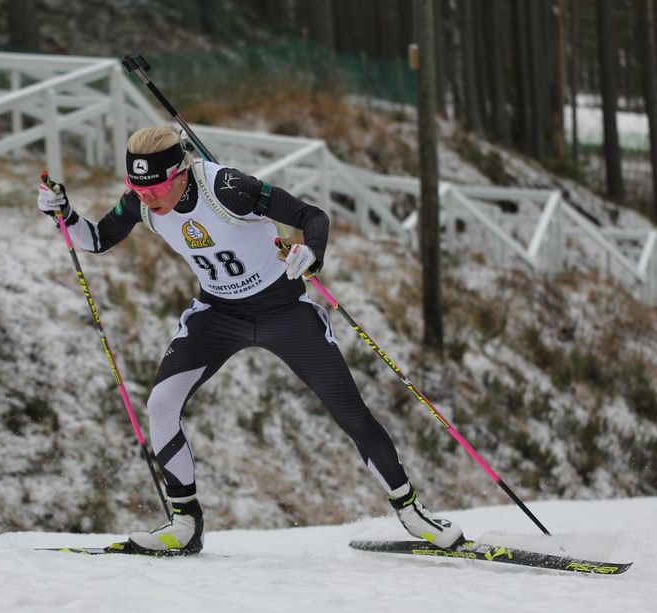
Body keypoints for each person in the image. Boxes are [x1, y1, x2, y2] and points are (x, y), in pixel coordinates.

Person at [37, 126, 463, 555]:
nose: (147, 197)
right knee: (161, 403)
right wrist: (63, 214)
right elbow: (94, 239)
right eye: (137, 186)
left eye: (157, 186)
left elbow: (313, 217)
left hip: (283, 311)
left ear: (181, 172)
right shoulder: (141, 201)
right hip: (218, 315)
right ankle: (185, 523)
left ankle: (411, 511)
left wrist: (310, 252)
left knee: (349, 411)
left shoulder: (228, 188)